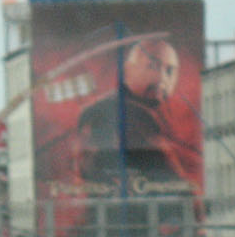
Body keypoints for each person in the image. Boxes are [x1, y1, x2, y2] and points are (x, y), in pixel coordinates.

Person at [74, 37, 196, 198]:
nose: (161, 78)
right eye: (152, 66)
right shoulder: (137, 114)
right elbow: (179, 183)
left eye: (170, 71)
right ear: (126, 72)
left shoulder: (100, 107)